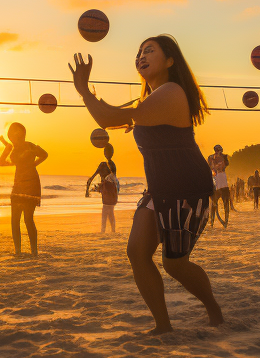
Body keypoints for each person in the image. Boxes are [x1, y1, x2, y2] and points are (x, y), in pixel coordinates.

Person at [69, 35, 223, 334]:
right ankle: (163, 326)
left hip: (188, 188)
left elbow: (106, 116)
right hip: (158, 188)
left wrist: (83, 90)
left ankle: (213, 308)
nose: (141, 55)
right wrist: (120, 115)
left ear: (170, 60)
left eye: (150, 50)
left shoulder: (172, 91)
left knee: (174, 264)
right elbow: (114, 117)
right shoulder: (150, 100)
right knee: (137, 253)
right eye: (139, 51)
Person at [0, 123, 47, 256]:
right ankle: (18, 251)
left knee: (27, 219)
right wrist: (7, 148)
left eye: (16, 133)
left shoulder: (30, 145)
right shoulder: (12, 148)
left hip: (31, 183)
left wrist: (33, 164)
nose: (14, 135)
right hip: (19, 183)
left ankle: (34, 251)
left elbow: (44, 154)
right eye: (12, 133)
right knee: (15, 219)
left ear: (21, 134)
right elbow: (1, 162)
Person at [86, 142, 120, 234]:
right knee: (110, 212)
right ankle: (112, 231)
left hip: (108, 192)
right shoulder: (111, 165)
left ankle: (104, 231)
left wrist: (88, 190)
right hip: (111, 192)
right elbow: (115, 181)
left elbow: (91, 179)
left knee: (106, 211)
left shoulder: (105, 165)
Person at [206, 145, 231, 228]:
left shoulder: (224, 157)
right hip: (215, 180)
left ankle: (226, 221)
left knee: (226, 202)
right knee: (213, 204)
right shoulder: (210, 158)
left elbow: (226, 164)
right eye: (218, 150)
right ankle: (212, 221)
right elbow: (210, 167)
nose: (219, 152)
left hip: (223, 181)